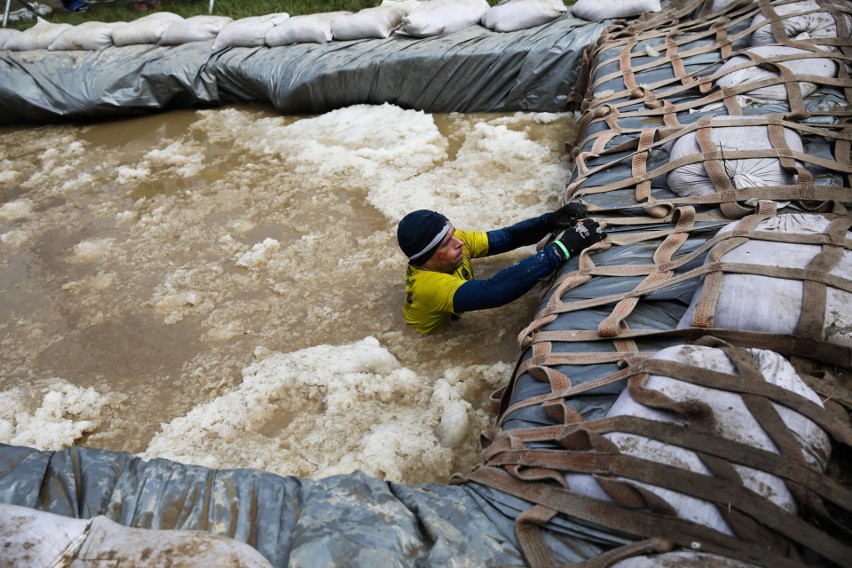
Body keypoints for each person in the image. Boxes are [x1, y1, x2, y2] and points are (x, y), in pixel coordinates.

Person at [396, 203, 606, 334]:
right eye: (445, 244)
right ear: (426, 260)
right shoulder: (428, 286)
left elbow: (508, 237)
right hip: (432, 337)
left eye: (452, 234)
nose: (458, 242)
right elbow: (494, 291)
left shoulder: (457, 240)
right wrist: (560, 250)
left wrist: (549, 220)